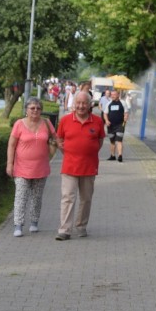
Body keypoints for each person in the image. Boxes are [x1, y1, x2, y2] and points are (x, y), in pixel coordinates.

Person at [54, 91, 105, 240]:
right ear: (74, 104)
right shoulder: (65, 120)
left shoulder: (97, 121)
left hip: (89, 167)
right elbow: (59, 139)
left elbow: (100, 142)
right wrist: (69, 152)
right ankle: (64, 230)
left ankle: (81, 226)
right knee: (67, 198)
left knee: (86, 199)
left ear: (90, 105)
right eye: (78, 103)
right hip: (69, 166)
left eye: (84, 103)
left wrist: (88, 152)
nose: (81, 106)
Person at [6, 97, 55, 237]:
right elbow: (11, 145)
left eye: (38, 108)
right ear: (26, 110)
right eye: (32, 108)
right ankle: (18, 225)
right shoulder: (19, 124)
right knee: (21, 196)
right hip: (21, 168)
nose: (35, 110)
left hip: (41, 167)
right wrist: (10, 163)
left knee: (37, 197)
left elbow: (56, 138)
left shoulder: (46, 123)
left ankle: (34, 222)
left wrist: (57, 146)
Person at [103, 90, 128, 162]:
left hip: (120, 125)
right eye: (111, 94)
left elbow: (126, 112)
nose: (112, 96)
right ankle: (112, 155)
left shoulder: (123, 103)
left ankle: (120, 155)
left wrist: (125, 118)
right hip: (110, 125)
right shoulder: (109, 103)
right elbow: (105, 114)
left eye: (114, 94)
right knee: (112, 141)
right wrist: (106, 121)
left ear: (118, 95)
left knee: (119, 140)